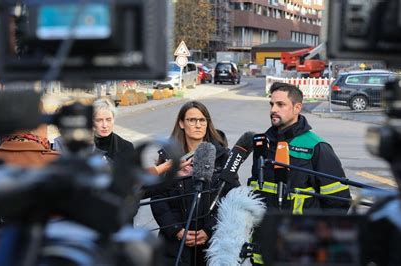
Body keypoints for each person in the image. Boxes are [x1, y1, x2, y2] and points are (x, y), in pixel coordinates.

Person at [248, 82, 352, 265]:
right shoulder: (262, 144)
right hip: (263, 247)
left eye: (280, 104)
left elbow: (338, 203)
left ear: (297, 108)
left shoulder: (316, 147)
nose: (273, 109)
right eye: (271, 104)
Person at [151, 101, 232, 266]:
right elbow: (157, 198)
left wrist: (209, 229)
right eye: (192, 120)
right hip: (174, 244)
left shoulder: (223, 156)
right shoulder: (169, 157)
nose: (198, 125)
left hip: (211, 243)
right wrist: (176, 231)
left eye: (202, 120)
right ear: (181, 123)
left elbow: (230, 197)